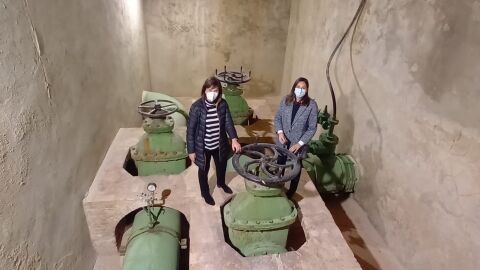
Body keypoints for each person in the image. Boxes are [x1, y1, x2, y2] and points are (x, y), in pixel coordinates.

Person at [187, 76, 241, 205]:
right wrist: (191, 150)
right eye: (210, 90)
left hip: (219, 144)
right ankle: (205, 193)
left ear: (219, 91)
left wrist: (234, 139)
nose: (213, 93)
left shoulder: (222, 104)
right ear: (204, 90)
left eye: (215, 90)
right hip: (203, 147)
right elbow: (190, 131)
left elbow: (228, 122)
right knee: (203, 170)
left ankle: (221, 183)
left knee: (221, 166)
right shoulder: (196, 107)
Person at [274, 77, 318, 199]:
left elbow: (312, 128)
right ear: (294, 88)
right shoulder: (285, 100)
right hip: (283, 140)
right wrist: (280, 132)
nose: (300, 90)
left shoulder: (311, 106)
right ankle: (278, 184)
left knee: (296, 168)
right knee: (280, 162)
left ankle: (291, 192)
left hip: (298, 143)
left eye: (303, 88)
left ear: (307, 90)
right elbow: (278, 118)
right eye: (298, 87)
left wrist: (300, 144)